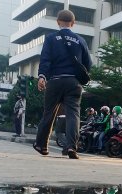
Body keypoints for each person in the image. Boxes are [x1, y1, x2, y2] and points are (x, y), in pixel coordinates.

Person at [33, 9, 92, 159]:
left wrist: (42, 77)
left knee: (49, 113)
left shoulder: (51, 38)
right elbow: (88, 64)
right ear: (73, 23)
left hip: (55, 81)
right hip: (73, 83)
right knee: (73, 114)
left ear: (58, 22)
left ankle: (41, 145)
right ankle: (71, 147)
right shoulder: (80, 40)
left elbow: (45, 59)